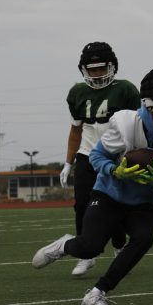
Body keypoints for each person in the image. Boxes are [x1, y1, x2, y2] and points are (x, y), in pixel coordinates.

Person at [33, 65, 153, 305]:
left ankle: (97, 294)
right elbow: (96, 157)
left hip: (142, 202)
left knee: (144, 237)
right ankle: (64, 246)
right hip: (108, 194)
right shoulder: (125, 122)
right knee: (89, 247)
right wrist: (115, 171)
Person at [60, 41, 141, 276]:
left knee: (114, 205)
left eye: (101, 68)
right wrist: (68, 162)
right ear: (83, 69)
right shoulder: (77, 92)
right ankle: (87, 254)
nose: (96, 74)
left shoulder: (125, 89)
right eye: (92, 69)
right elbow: (76, 130)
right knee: (81, 206)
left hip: (116, 156)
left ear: (112, 67)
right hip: (87, 155)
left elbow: (138, 126)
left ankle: (118, 246)